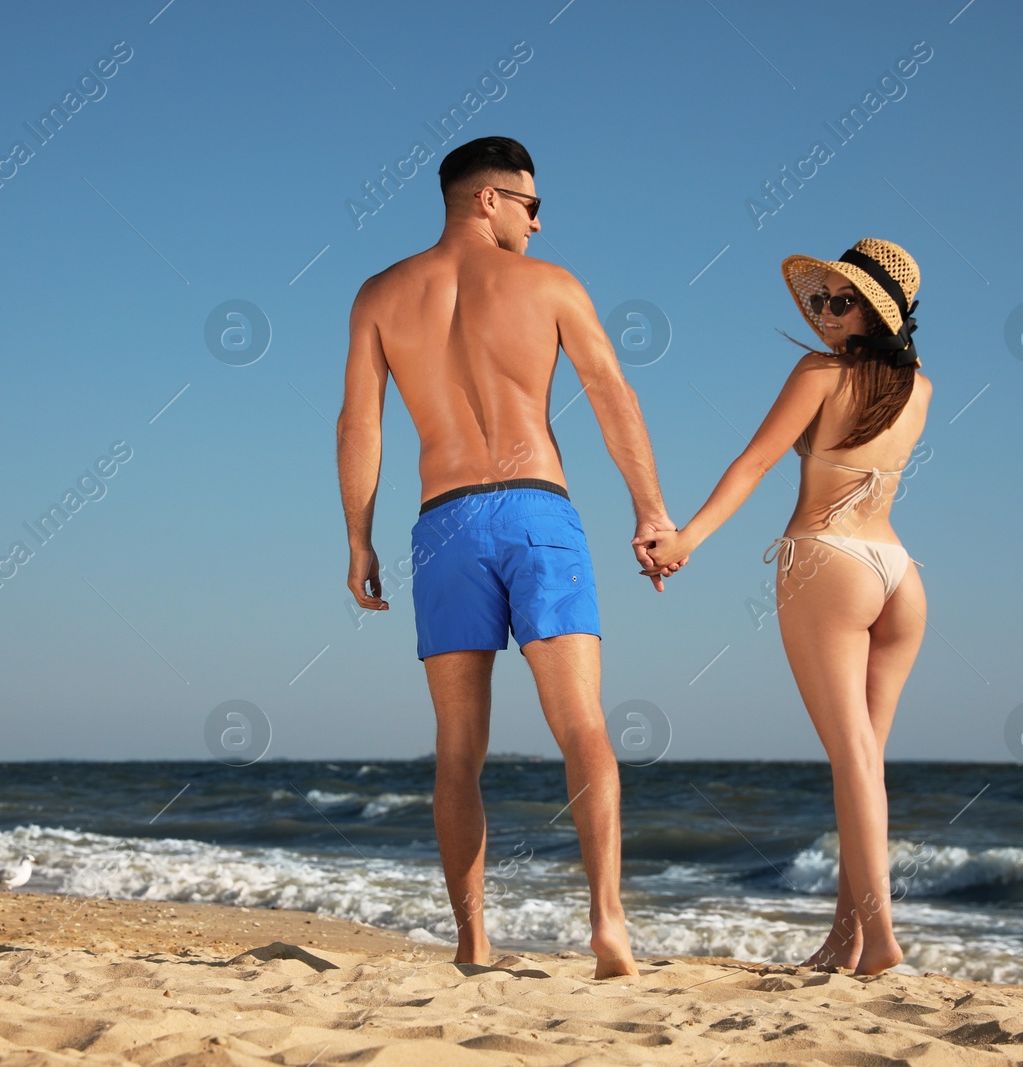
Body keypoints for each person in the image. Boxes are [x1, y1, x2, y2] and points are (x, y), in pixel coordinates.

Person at [335, 136, 679, 978]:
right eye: (531, 203)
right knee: (583, 725)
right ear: (488, 199)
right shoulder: (550, 283)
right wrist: (651, 509)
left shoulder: (380, 294)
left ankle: (473, 940)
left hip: (442, 521)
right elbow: (611, 395)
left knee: (457, 746)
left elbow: (360, 425)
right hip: (535, 509)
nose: (538, 219)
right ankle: (606, 922)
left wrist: (358, 537)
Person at [640, 239, 931, 975]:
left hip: (828, 564)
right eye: (820, 300)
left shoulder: (818, 372)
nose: (824, 313)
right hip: (900, 576)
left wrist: (685, 540)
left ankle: (883, 941)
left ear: (876, 311)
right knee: (863, 764)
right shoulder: (920, 386)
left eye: (841, 301)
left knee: (854, 761)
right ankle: (847, 938)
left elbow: (754, 462)